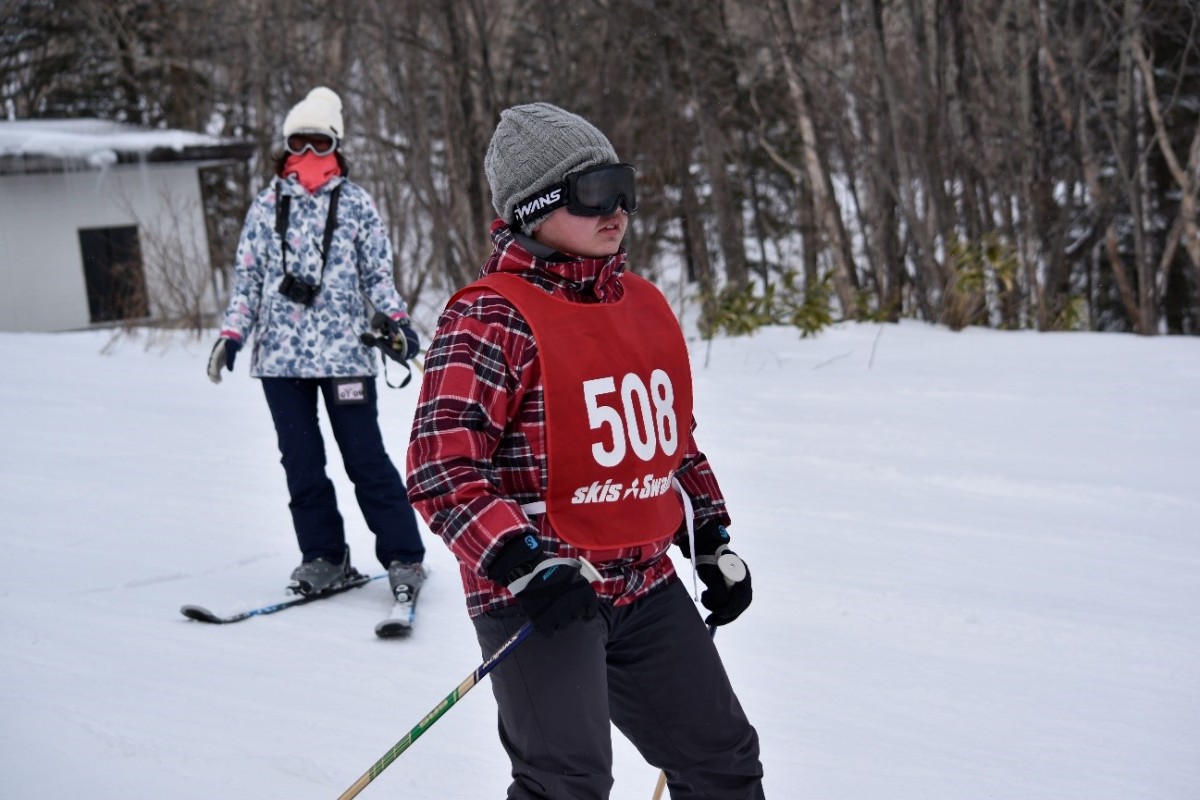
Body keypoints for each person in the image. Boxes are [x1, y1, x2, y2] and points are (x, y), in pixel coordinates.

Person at [406, 102, 764, 799]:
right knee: (567, 782)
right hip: (543, 590)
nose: (617, 210)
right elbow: (441, 465)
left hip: (644, 581)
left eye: (623, 188)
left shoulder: (642, 303)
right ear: (533, 209)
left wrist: (710, 540)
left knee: (722, 758)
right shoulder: (491, 316)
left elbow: (670, 443)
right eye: (594, 192)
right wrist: (522, 564)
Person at [207, 86, 426, 605]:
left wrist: (398, 322)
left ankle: (404, 556)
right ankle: (324, 557)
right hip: (280, 361)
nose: (308, 154)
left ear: (336, 147)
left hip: (346, 355)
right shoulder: (266, 206)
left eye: (319, 144)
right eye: (298, 143)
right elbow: (248, 280)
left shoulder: (356, 205)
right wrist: (231, 335)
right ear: (285, 147)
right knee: (302, 464)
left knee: (365, 459)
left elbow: (378, 276)